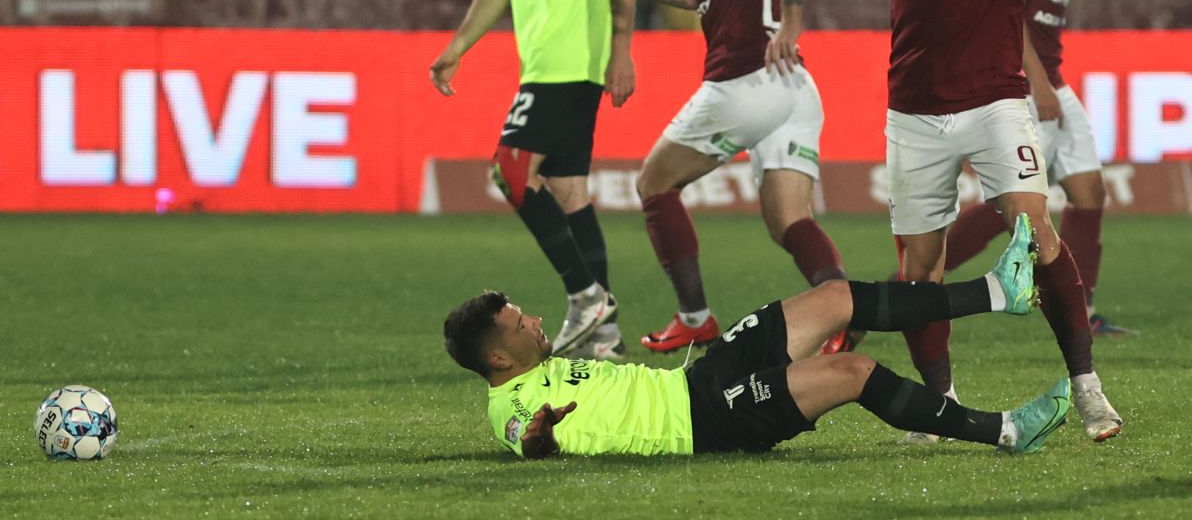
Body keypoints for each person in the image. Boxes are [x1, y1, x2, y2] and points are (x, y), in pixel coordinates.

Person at [753, 0, 1151, 442]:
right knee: (920, 273)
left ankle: (1087, 386)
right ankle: (939, 405)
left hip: (996, 102)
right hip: (912, 112)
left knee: (1036, 232)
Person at [445, 216, 1070, 458]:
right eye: (519, 325)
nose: (535, 321)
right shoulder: (511, 406)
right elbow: (528, 441)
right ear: (497, 357)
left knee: (834, 298)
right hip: (703, 425)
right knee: (852, 372)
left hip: (696, 384)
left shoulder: (540, 363)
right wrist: (538, 435)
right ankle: (1006, 430)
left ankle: (999, 291)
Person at [585, 0, 856, 355]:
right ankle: (843, 314)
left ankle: (695, 318)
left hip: (748, 79)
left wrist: (793, 24)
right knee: (789, 220)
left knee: (654, 183)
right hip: (793, 87)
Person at [430, 0, 638, 360]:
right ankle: (606, 339)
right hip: (544, 63)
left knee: (510, 168)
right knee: (569, 191)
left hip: (571, 61)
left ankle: (585, 296)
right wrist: (458, 47)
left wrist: (622, 51)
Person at [944, 0, 1132, 337]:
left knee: (1089, 191)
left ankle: (1081, 311)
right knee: (1011, 205)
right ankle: (921, 274)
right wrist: (1040, 84)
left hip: (1053, 80)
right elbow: (1009, 13)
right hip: (1027, 85)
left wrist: (1052, 82)